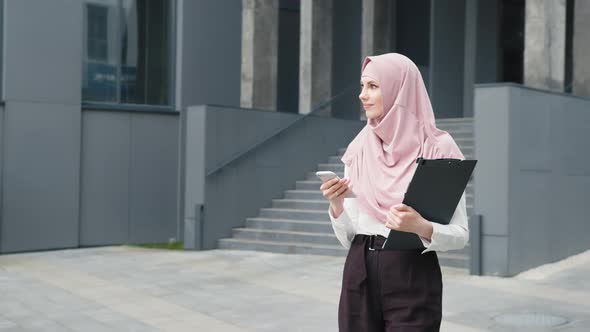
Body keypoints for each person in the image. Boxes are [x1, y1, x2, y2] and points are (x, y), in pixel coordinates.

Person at [320, 53, 469, 332]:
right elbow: (349, 239)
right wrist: (337, 206)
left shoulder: (438, 148)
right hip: (359, 269)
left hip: (412, 271)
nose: (362, 95)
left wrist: (421, 227)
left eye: (373, 86)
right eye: (362, 86)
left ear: (400, 89)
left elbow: (461, 235)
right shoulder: (360, 147)